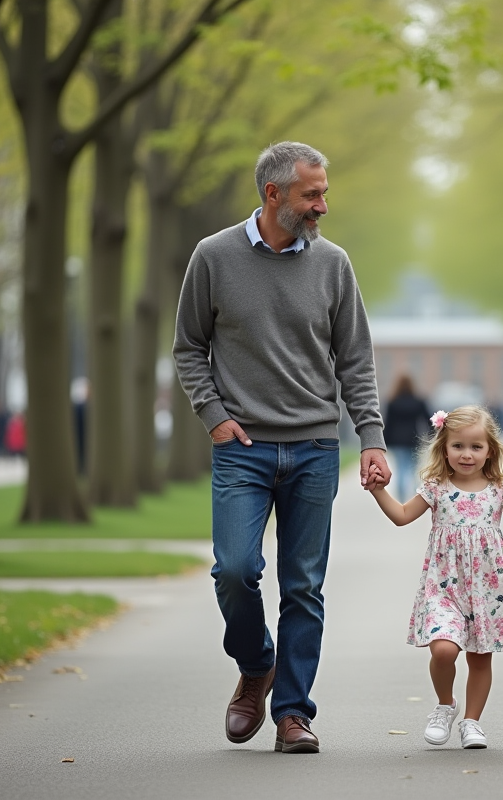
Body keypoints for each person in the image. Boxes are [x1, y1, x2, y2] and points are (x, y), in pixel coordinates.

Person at [173, 141, 391, 754]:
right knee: (235, 571)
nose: (323, 205)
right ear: (273, 194)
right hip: (242, 448)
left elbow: (355, 359)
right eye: (311, 194)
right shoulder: (212, 256)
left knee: (303, 587)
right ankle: (256, 665)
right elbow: (188, 346)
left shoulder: (334, 264)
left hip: (315, 448)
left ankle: (293, 713)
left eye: (324, 193)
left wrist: (371, 437)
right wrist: (214, 416)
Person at [369, 406, 503, 750]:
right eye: (457, 446)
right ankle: (446, 705)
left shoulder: (499, 489)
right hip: (443, 588)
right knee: (443, 650)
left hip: (487, 590)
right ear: (444, 449)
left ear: (490, 451)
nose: (466, 454)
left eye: (475, 446)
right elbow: (401, 516)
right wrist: (378, 490)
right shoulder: (436, 488)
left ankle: (472, 722)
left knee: (480, 657)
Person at [384, 374, 430, 502]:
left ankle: (401, 499)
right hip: (413, 439)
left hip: (396, 441)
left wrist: (384, 442)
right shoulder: (418, 402)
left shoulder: (392, 402)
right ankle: (415, 498)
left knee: (401, 469)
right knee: (413, 470)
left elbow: (388, 423)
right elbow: (428, 420)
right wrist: (430, 437)